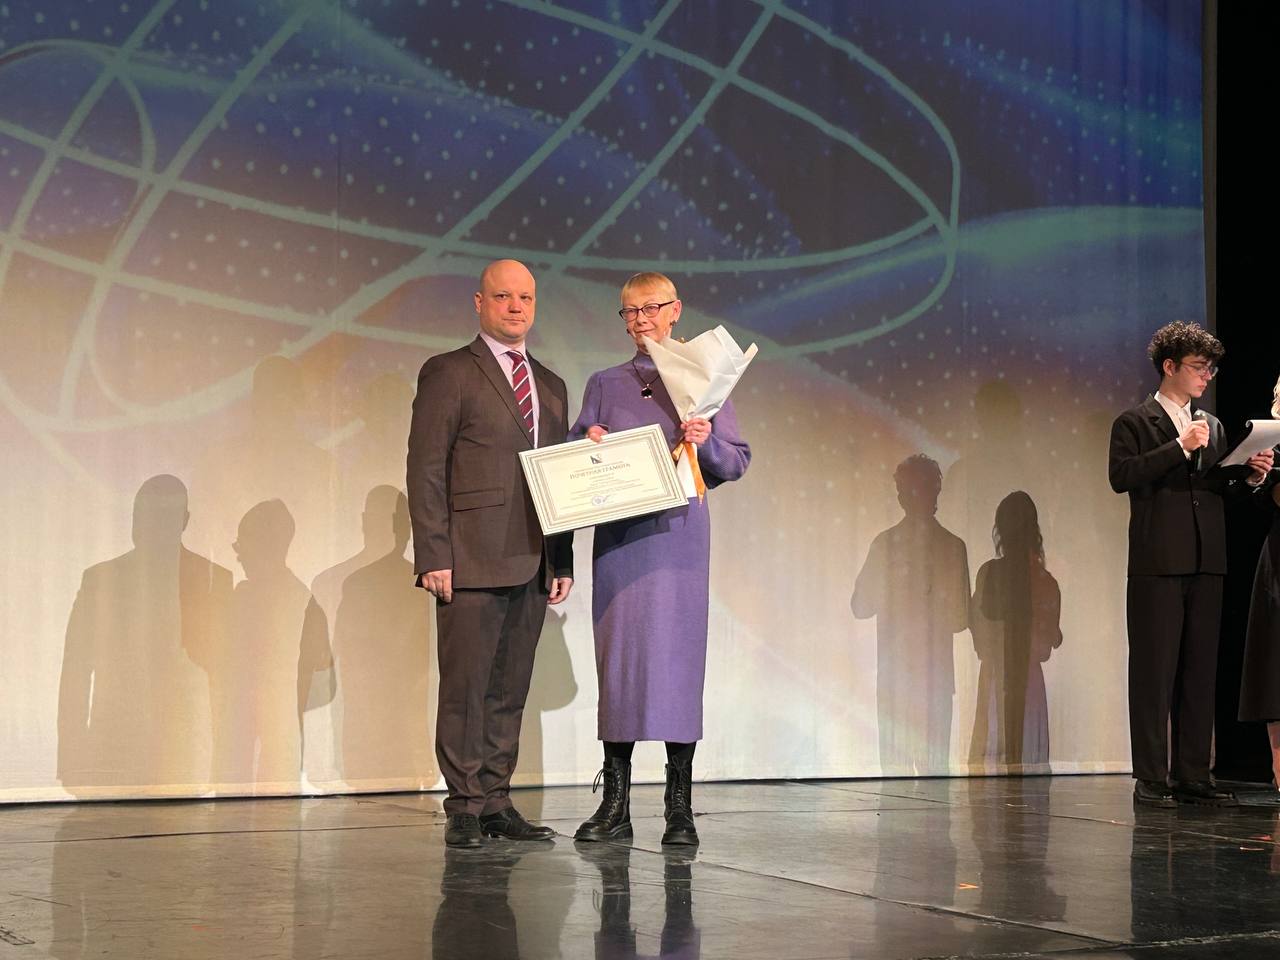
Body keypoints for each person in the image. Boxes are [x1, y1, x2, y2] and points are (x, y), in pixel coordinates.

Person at [570, 272, 751, 846]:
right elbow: (572, 456)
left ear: (676, 311)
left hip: (678, 540)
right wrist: (589, 445)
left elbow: (736, 460)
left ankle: (679, 808)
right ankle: (616, 805)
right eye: (630, 311)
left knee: (677, 664)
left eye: (652, 308)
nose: (641, 319)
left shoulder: (704, 379)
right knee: (620, 664)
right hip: (621, 542)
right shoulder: (605, 383)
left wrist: (705, 440)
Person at [407, 259, 574, 848]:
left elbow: (558, 477)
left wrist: (561, 560)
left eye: (525, 297)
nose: (515, 307)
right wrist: (434, 553)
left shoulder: (551, 384)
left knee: (509, 689)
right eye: (503, 296)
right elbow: (426, 468)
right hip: (469, 558)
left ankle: (497, 800)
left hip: (532, 559)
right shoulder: (449, 372)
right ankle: (464, 804)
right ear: (479, 303)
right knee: (466, 688)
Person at [1108, 322, 1273, 807]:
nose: (1206, 376)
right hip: (1158, 562)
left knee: (1200, 672)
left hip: (1207, 561)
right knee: (1154, 672)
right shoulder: (1135, 422)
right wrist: (1179, 447)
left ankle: (1194, 775)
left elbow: (1214, 491)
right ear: (1170, 366)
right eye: (1199, 367)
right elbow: (1122, 476)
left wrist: (1250, 477)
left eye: (1210, 369)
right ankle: (1151, 777)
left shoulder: (1213, 425)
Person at [852, 454, 969, 776]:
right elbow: (960, 619)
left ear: (901, 495)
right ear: (936, 492)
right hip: (934, 678)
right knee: (935, 778)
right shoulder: (953, 546)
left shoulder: (885, 544)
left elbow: (860, 606)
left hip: (897, 679)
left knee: (895, 778)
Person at [968, 491, 1062, 773]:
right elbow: (1046, 646)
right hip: (1026, 681)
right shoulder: (1046, 582)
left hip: (996, 675)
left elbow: (978, 632)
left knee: (994, 759)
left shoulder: (989, 573)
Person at [1237, 373, 1280, 784]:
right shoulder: (1270, 445)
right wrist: (1260, 477)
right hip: (1279, 563)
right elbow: (1259, 498)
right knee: (1275, 671)